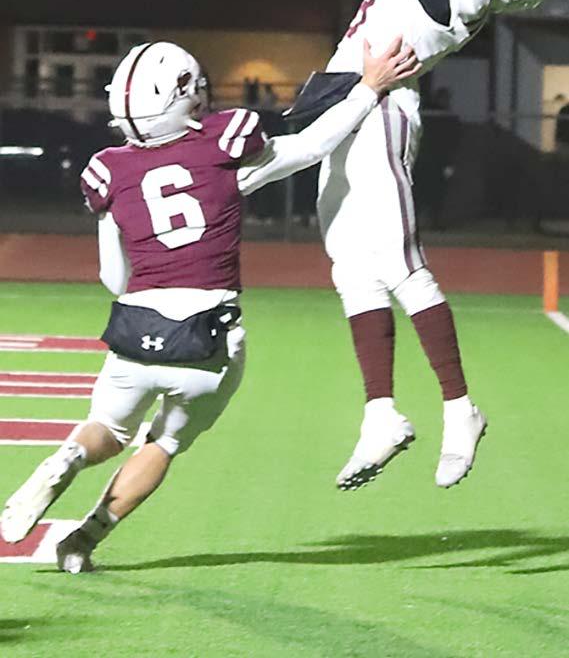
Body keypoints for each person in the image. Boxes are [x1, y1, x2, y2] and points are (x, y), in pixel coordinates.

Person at [0, 36, 419, 572]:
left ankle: (70, 457)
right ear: (184, 98)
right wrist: (369, 87)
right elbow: (312, 145)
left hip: (137, 330)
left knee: (106, 429)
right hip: (208, 336)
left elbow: (114, 277)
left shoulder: (110, 169)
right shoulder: (221, 152)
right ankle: (81, 541)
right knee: (164, 444)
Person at [310, 0, 555, 491]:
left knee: (398, 260)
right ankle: (380, 414)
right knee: (349, 264)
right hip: (347, 97)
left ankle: (458, 407)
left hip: (383, 110)